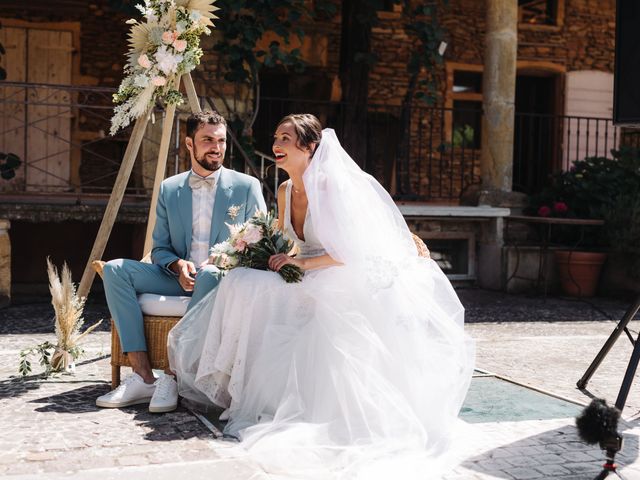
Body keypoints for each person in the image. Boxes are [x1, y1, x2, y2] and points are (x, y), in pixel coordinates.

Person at [168, 114, 475, 478]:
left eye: (286, 138)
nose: (276, 145)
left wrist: (300, 265)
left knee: (311, 311)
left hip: (340, 276)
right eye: (276, 137)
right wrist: (263, 255)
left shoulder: (329, 187)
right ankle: (235, 384)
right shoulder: (283, 191)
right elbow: (285, 242)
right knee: (240, 281)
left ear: (309, 147)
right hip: (306, 274)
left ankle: (315, 406)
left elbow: (350, 252)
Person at [96, 110, 266, 413]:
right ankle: (143, 376)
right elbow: (159, 248)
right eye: (207, 140)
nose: (216, 147)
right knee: (115, 269)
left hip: (220, 281)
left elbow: (260, 242)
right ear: (189, 144)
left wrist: (226, 258)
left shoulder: (246, 186)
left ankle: (172, 377)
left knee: (210, 273)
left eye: (221, 141)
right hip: (176, 277)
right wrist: (177, 265)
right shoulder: (169, 188)